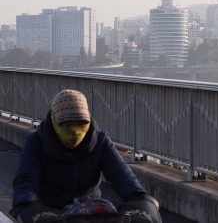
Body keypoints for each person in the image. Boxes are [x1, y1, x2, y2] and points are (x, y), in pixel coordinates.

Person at [10, 89, 162, 223]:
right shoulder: (37, 142)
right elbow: (25, 180)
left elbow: (122, 175)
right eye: (68, 125)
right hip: (51, 213)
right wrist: (28, 206)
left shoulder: (100, 141)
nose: (75, 131)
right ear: (54, 121)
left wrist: (140, 200)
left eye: (81, 124)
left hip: (91, 214)